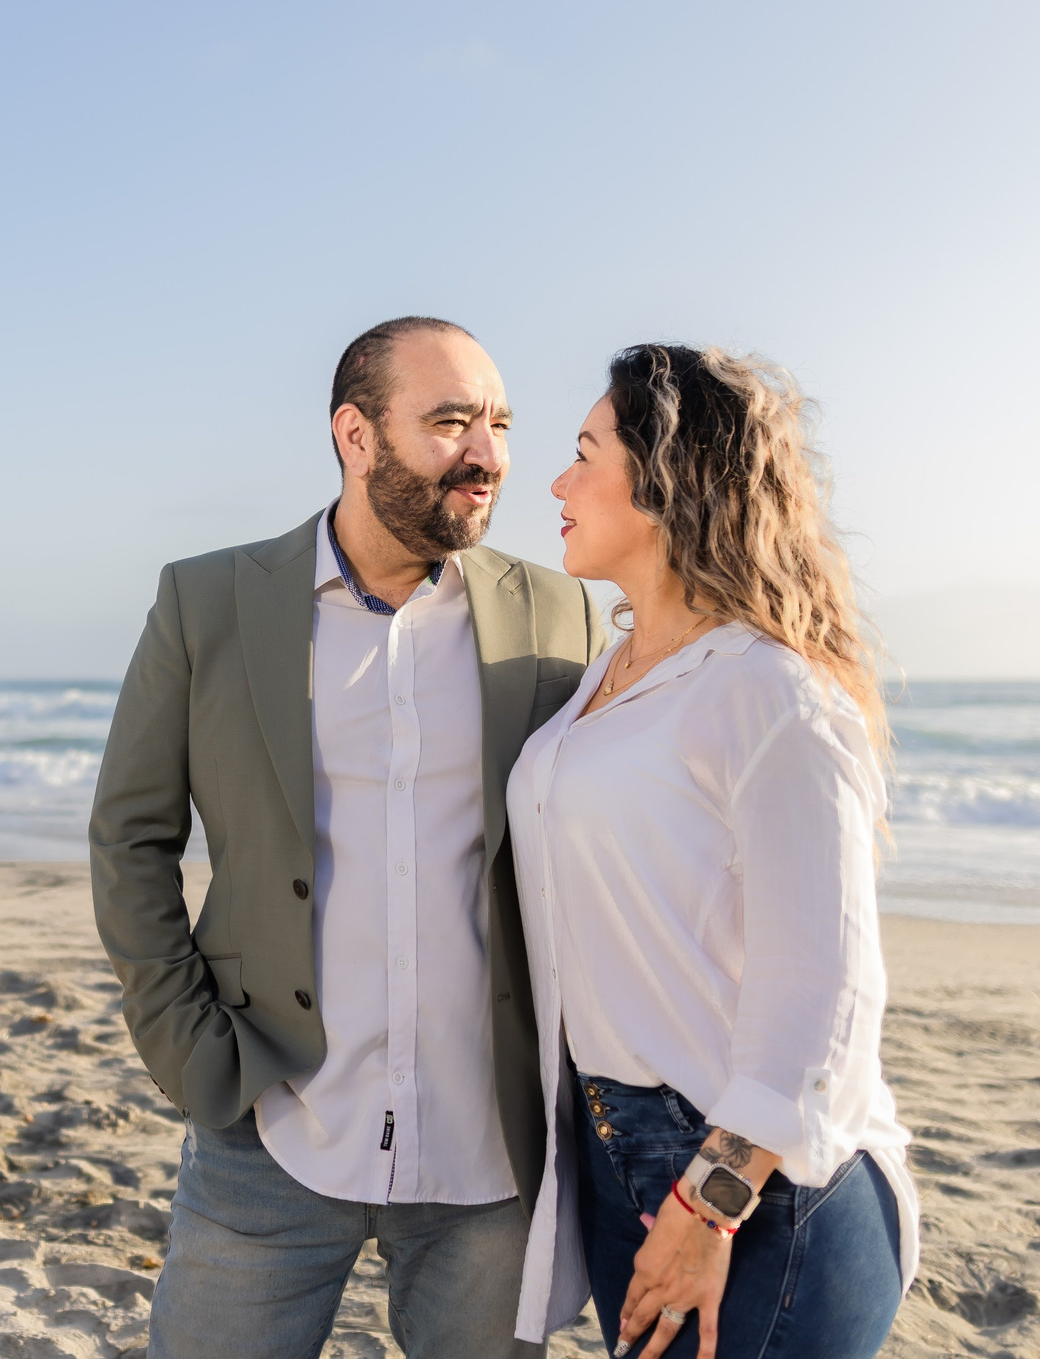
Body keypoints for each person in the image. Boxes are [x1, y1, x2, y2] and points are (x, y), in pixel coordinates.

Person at [92, 317, 605, 1358]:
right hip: (268, 1127)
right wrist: (185, 1044)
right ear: (355, 435)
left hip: (491, 1154)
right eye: (451, 421)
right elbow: (129, 834)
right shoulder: (208, 601)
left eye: (499, 424)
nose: (487, 455)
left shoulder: (561, 615)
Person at [506, 344, 919, 1359]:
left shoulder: (769, 692)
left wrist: (711, 1203)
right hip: (617, 1155)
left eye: (585, 452)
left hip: (746, 1186)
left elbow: (827, 988)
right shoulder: (611, 674)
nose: (556, 482)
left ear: (666, 479)